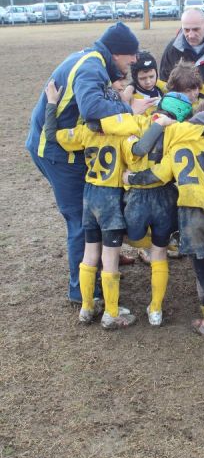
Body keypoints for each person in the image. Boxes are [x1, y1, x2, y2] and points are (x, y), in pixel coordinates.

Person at [25, 21, 151, 303]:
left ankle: (108, 257)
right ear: (117, 53)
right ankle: (82, 292)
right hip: (57, 151)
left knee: (99, 203)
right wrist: (127, 109)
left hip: (66, 144)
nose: (134, 61)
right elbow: (92, 108)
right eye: (131, 55)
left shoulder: (92, 59)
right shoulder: (92, 65)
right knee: (80, 220)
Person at [123, 98, 204, 341]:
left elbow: (158, 175)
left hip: (191, 213)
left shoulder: (179, 144)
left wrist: (130, 178)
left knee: (202, 271)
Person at [43, 79, 137, 329]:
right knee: (109, 258)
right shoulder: (122, 135)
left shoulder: (84, 132)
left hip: (89, 196)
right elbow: (138, 155)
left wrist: (52, 103)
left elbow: (52, 134)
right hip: (110, 200)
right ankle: (112, 312)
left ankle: (87, 307)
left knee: (90, 254)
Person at [123, 51, 167, 116]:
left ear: (156, 74)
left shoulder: (160, 87)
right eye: (142, 78)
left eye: (151, 76)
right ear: (135, 78)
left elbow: (173, 88)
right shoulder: (132, 98)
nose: (148, 82)